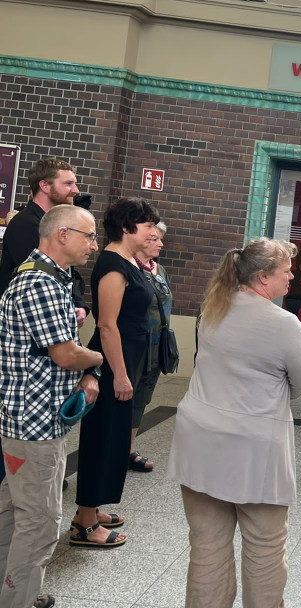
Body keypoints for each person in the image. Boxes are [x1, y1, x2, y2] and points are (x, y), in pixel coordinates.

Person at [167, 238, 301, 608]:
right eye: (286, 271)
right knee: (265, 551)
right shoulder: (285, 324)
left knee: (206, 547)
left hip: (199, 442)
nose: (292, 276)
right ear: (263, 278)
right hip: (255, 454)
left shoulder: (212, 307)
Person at [0, 204, 103, 608]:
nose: (94, 245)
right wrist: (97, 359)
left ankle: (10, 594)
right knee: (40, 523)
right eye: (89, 235)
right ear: (62, 234)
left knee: (14, 513)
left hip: (25, 418)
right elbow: (64, 354)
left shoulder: (48, 278)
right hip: (34, 423)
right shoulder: (41, 282)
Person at [72, 198, 160, 547]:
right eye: (147, 225)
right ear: (126, 228)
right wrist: (120, 376)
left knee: (115, 441)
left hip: (128, 360)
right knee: (102, 441)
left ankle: (88, 512)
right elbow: (107, 326)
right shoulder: (112, 265)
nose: (154, 232)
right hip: (113, 364)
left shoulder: (131, 262)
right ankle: (84, 524)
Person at [0, 158, 89, 324]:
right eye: (68, 183)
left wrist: (79, 304)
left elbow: (66, 269)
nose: (76, 190)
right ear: (44, 186)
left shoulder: (55, 224)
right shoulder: (26, 224)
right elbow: (43, 277)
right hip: (26, 324)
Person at [128, 221, 172, 473]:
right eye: (154, 239)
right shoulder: (130, 268)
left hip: (158, 345)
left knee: (143, 398)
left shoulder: (160, 270)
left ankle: (129, 449)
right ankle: (116, 448)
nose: (160, 244)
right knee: (128, 395)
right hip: (137, 345)